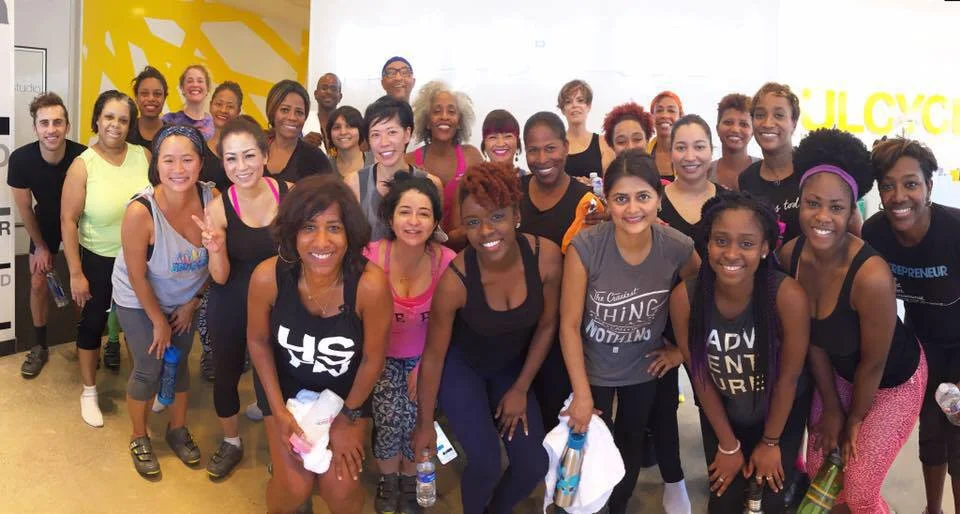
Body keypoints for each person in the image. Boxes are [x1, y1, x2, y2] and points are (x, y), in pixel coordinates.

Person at [781, 128, 925, 513]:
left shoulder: (871, 276)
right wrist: (830, 407)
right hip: (840, 372)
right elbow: (811, 339)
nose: (823, 217)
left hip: (894, 381)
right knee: (821, 471)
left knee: (859, 488)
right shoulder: (790, 258)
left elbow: (874, 362)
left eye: (836, 207)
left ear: (852, 211)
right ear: (800, 203)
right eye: (813, 204)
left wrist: (854, 420)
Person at [412, 162, 562, 514]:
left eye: (497, 217)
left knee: (532, 466)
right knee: (485, 463)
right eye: (474, 222)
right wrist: (424, 425)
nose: (486, 231)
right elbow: (434, 357)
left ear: (516, 216)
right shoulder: (455, 281)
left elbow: (547, 325)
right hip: (460, 370)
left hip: (511, 370)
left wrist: (522, 387)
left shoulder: (546, 259)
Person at [559, 149, 699, 514]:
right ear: (607, 200)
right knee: (588, 451)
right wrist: (581, 392)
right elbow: (569, 325)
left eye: (643, 197)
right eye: (621, 198)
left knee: (630, 445)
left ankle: (617, 508)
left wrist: (680, 352)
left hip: (643, 367)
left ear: (658, 197)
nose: (632, 208)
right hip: (593, 369)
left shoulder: (677, 247)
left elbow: (707, 300)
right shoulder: (586, 247)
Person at [247, 175, 391, 514]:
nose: (321, 241)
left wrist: (347, 418)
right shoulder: (268, 278)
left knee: (340, 492)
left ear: (350, 233)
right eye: (309, 227)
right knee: (293, 489)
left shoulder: (370, 286)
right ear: (292, 232)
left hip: (346, 395)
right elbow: (257, 341)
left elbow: (372, 359)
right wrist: (279, 412)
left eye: (334, 228)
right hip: (285, 390)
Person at [670, 192, 811, 512]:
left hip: (779, 414)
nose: (731, 253)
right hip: (722, 410)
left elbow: (789, 378)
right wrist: (728, 444)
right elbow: (700, 376)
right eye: (721, 240)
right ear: (707, 243)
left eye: (746, 243)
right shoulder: (685, 298)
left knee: (770, 497)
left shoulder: (787, 296)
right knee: (723, 498)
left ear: (765, 248)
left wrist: (771, 442)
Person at [862, 138, 960, 514]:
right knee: (932, 435)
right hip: (924, 346)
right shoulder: (875, 234)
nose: (899, 195)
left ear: (929, 187)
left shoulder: (953, 231)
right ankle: (932, 510)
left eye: (911, 183)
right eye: (888, 185)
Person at [193, 117, 294, 479]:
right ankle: (231, 441)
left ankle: (285, 446)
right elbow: (219, 276)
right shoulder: (218, 207)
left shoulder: (290, 194)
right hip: (232, 299)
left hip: (282, 302)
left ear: (265, 155)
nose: (241, 167)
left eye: (249, 156)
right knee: (226, 373)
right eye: (231, 159)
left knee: (285, 375)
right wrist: (216, 248)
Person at [111, 125, 214, 477]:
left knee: (180, 361)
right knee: (149, 365)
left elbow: (216, 263)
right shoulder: (141, 212)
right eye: (169, 160)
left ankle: (176, 429)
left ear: (201, 163)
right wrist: (157, 320)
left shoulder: (212, 201)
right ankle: (139, 436)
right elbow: (138, 276)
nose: (179, 169)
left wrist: (193, 303)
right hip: (138, 298)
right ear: (157, 166)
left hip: (185, 298)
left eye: (188, 159)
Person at [365, 174, 455, 514]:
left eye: (423, 213)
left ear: (434, 221)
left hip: (426, 357)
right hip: (380, 356)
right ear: (390, 217)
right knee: (389, 418)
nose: (413, 222)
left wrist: (424, 365)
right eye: (405, 212)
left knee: (418, 419)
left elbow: (451, 325)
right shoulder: (371, 256)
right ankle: (390, 479)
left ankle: (409, 476)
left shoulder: (446, 261)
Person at [61, 90, 150, 427]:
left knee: (139, 325)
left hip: (140, 258)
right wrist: (75, 272)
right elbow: (68, 220)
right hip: (98, 259)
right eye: (109, 117)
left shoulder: (144, 156)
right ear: (97, 119)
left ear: (131, 125)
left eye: (123, 119)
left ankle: (143, 386)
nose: (115, 125)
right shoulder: (83, 165)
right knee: (93, 323)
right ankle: (88, 391)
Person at [519, 111, 604, 432]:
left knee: (558, 410)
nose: (542, 158)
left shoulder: (586, 203)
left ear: (566, 147)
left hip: (565, 324)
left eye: (550, 148)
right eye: (533, 150)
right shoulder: (515, 191)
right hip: (521, 322)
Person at [8, 92, 86, 377]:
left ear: (66, 125)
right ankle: (39, 346)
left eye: (57, 122)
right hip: (44, 224)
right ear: (35, 127)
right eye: (44, 123)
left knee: (83, 284)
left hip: (79, 222)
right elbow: (25, 208)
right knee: (38, 281)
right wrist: (40, 246)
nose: (51, 129)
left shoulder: (83, 156)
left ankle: (84, 341)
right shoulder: (20, 159)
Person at [349, 95, 441, 241]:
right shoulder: (355, 182)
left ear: (407, 134)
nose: (384, 142)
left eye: (392, 132)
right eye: (375, 134)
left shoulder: (431, 183)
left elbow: (434, 240)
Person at [406, 80, 483, 237]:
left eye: (451, 111)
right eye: (437, 111)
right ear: (427, 121)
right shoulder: (409, 161)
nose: (444, 117)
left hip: (466, 252)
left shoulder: (472, 157)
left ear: (460, 121)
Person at [737, 83, 801, 246]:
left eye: (779, 115)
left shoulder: (811, 170)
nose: (767, 123)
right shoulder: (747, 179)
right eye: (759, 115)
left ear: (793, 122)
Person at [661, 115, 720, 238]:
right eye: (681, 148)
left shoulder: (727, 201)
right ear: (671, 152)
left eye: (699, 147)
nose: (690, 157)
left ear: (711, 151)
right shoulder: (654, 202)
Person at [264, 79, 333, 183]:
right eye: (285, 110)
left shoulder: (316, 159)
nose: (292, 117)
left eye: (299, 112)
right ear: (272, 112)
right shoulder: (256, 150)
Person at [557, 79, 614, 178]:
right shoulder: (556, 144)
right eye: (568, 102)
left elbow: (611, 184)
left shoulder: (603, 143)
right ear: (562, 109)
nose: (575, 105)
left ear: (588, 106)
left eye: (580, 100)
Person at [710, 93, 759, 191]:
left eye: (743, 124)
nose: (735, 129)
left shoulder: (763, 170)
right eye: (728, 122)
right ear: (717, 128)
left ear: (753, 131)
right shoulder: (705, 173)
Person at [202, 81, 243, 191]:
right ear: (211, 105)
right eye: (219, 104)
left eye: (230, 106)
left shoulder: (242, 152)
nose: (223, 110)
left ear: (238, 111)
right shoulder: (198, 147)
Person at [162, 64, 214, 141]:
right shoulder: (169, 121)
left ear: (207, 88)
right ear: (182, 88)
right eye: (190, 81)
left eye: (200, 81)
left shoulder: (213, 124)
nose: (195, 84)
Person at [327, 105, 373, 180]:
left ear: (360, 130)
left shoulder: (375, 160)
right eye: (337, 127)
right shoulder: (325, 165)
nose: (343, 132)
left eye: (350, 126)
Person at [128, 66, 168, 149]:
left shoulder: (173, 134)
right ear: (136, 97)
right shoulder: (126, 132)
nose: (151, 99)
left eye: (157, 94)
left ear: (164, 98)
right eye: (144, 93)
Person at [302, 72, 343, 154]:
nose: (329, 92)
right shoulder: (303, 120)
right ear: (316, 94)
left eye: (334, 89)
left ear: (340, 96)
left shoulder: (349, 124)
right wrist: (302, 144)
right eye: (324, 88)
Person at [648, 91, 683, 181]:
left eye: (671, 111)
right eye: (659, 110)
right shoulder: (642, 154)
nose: (664, 115)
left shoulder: (689, 155)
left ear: (681, 117)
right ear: (652, 117)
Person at [480, 109, 526, 174]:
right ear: (484, 144)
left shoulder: (531, 181)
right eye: (493, 137)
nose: (500, 144)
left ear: (517, 142)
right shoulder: (474, 182)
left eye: (507, 136)